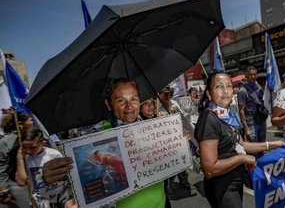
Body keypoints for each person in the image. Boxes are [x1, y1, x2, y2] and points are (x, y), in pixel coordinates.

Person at [42, 78, 169, 208]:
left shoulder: (154, 129)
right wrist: (50, 180)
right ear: (109, 104)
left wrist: (183, 140)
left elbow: (177, 161)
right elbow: (71, 183)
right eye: (121, 100)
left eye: (134, 99)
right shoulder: (93, 136)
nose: (129, 106)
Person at [194, 72, 285, 208]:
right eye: (219, 86)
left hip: (236, 182)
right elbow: (209, 168)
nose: (225, 91)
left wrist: (271, 144)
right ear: (209, 94)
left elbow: (241, 144)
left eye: (228, 86)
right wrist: (242, 159)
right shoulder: (208, 119)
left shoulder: (227, 114)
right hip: (222, 187)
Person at [15, 127, 71, 207]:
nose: (28, 151)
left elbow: (64, 178)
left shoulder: (54, 155)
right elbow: (21, 182)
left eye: (32, 147)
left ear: (43, 143)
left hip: (58, 200)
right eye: (25, 147)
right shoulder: (25, 157)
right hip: (39, 202)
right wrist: (20, 159)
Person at [158, 86, 197, 200]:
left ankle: (185, 183)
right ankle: (168, 187)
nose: (168, 97)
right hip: (164, 143)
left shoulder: (174, 103)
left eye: (170, 94)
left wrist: (178, 113)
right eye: (165, 94)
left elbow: (182, 119)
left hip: (177, 139)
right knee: (170, 167)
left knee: (182, 162)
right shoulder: (155, 106)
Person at [0, 110, 33, 208]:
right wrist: (3, 189)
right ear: (20, 124)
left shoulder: (35, 137)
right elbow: (1, 167)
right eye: (30, 121)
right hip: (18, 187)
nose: (32, 123)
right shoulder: (5, 142)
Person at [237, 66, 267, 158]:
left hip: (261, 121)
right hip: (251, 124)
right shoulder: (242, 91)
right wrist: (246, 129)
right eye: (250, 75)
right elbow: (241, 110)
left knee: (262, 147)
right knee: (253, 151)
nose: (253, 76)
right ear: (246, 76)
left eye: (254, 74)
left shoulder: (259, 88)